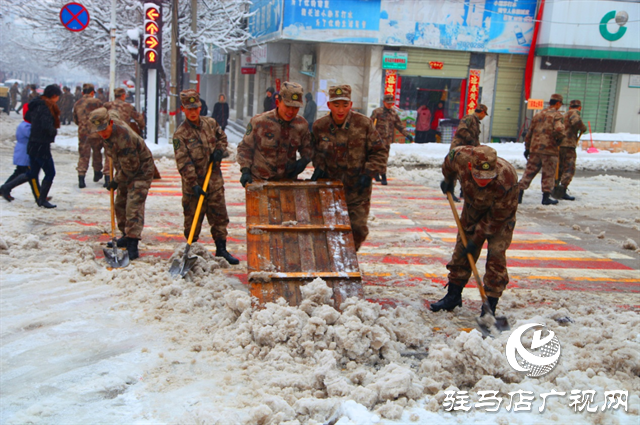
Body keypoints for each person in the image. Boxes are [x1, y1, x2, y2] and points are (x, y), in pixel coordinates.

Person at [431, 145, 518, 316]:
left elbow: (496, 219)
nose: (484, 181)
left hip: (500, 218)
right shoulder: (461, 157)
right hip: (473, 209)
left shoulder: (506, 179)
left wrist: (476, 238)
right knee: (461, 251)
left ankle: (490, 307)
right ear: (470, 167)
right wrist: (449, 180)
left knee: (496, 257)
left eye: (488, 177)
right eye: (479, 177)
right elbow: (449, 162)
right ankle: (453, 296)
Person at [311, 85, 388, 251]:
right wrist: (319, 166)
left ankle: (348, 255)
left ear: (351, 104)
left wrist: (369, 173)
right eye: (336, 105)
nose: (340, 109)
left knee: (358, 228)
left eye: (345, 105)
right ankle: (335, 259)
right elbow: (313, 151)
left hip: (358, 188)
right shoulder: (320, 126)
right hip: (330, 188)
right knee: (329, 229)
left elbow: (379, 151)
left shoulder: (363, 124)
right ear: (329, 105)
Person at [172, 89, 239, 265]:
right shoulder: (180, 135)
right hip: (193, 186)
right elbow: (183, 162)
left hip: (214, 181)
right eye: (189, 109)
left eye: (196, 108)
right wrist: (193, 184)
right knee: (192, 219)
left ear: (200, 107)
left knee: (219, 217)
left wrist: (220, 151)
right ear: (183, 109)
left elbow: (222, 138)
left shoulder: (211, 123)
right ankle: (191, 251)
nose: (193, 112)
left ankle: (222, 249)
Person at [91, 107, 154, 260]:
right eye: (99, 130)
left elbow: (131, 168)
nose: (102, 133)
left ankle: (132, 242)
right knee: (120, 203)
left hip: (140, 170)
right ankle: (126, 235)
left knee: (133, 205)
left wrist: (115, 181)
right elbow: (113, 112)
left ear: (110, 123)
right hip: (125, 170)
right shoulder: (110, 121)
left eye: (104, 129)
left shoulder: (124, 137)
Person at [237, 81, 312, 185]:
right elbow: (245, 148)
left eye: (295, 108)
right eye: (287, 106)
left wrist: (304, 161)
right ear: (278, 103)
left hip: (287, 183)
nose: (291, 111)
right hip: (261, 182)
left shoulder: (301, 125)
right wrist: (245, 170)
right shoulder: (259, 122)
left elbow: (308, 148)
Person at [518, 94, 565, 205]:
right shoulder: (557, 116)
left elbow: (529, 132)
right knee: (548, 174)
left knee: (528, 173)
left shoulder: (538, 115)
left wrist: (527, 148)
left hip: (535, 149)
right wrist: (558, 141)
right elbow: (560, 130)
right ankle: (546, 198)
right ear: (558, 103)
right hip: (549, 150)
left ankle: (519, 195)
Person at [22, 85, 62, 208]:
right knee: (50, 172)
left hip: (33, 142)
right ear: (54, 96)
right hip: (41, 144)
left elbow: (28, 117)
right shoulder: (45, 106)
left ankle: (6, 187)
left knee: (33, 172)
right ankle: (42, 200)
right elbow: (46, 125)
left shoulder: (35, 104)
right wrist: (53, 131)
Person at [1, 104, 43, 203]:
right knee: (32, 175)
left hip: (22, 153)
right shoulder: (26, 126)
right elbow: (35, 136)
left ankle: (4, 189)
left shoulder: (24, 125)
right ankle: (40, 196)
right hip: (25, 154)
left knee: (19, 173)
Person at [370, 94, 413, 185]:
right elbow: (370, 124)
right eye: (388, 103)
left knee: (384, 158)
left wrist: (407, 135)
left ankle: (382, 175)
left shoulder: (393, 114)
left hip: (387, 141)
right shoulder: (377, 112)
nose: (389, 105)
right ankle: (378, 174)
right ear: (384, 102)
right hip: (377, 140)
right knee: (376, 157)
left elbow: (400, 126)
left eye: (391, 103)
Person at [73, 83, 107, 188]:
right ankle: (97, 172)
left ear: (83, 92)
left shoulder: (77, 103)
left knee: (84, 155)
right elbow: (104, 115)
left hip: (83, 132)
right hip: (96, 131)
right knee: (97, 152)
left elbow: (75, 119)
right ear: (92, 92)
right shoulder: (98, 102)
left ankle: (81, 177)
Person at [555, 100, 587, 201]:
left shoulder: (564, 115)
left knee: (559, 168)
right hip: (569, 145)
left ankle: (555, 187)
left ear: (569, 106)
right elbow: (576, 122)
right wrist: (583, 127)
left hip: (560, 144)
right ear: (580, 107)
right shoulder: (574, 113)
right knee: (569, 168)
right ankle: (562, 189)